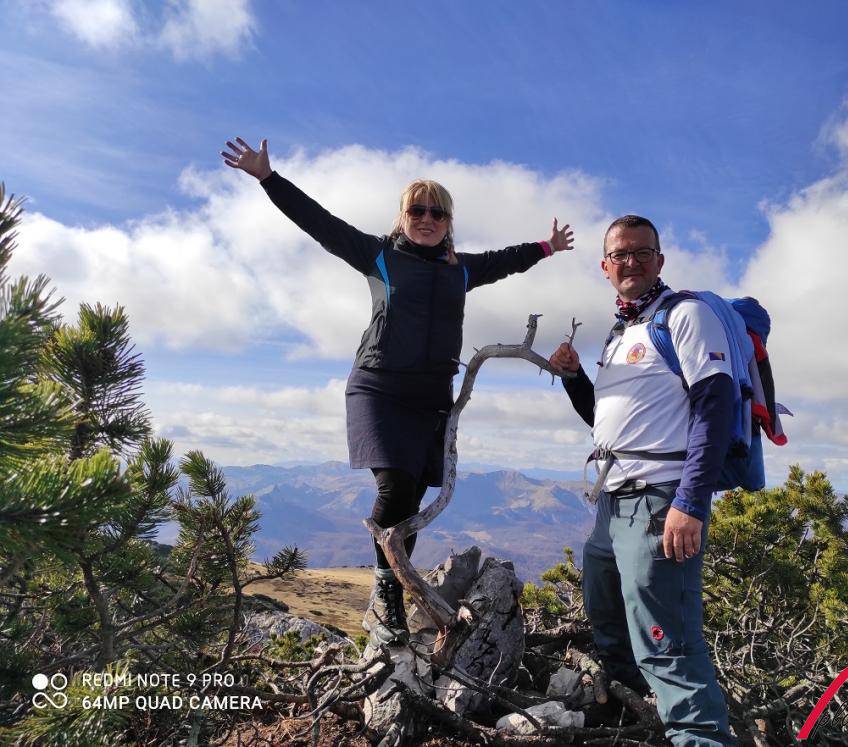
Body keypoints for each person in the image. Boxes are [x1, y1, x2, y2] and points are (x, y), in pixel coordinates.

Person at [221, 137, 574, 646]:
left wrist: (546, 247)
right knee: (394, 487)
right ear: (402, 216)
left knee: (412, 497)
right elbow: (320, 223)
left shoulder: (461, 269)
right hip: (379, 386)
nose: (427, 219)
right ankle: (387, 595)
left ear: (449, 221)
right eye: (417, 210)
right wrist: (269, 179)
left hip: (431, 396)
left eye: (437, 212)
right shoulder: (379, 255)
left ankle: (394, 584)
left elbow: (506, 259)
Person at [549, 215, 735, 746]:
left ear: (659, 260)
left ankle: (700, 736)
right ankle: (630, 717)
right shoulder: (622, 332)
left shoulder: (686, 316)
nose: (630, 262)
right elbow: (606, 421)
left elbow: (715, 407)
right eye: (620, 254)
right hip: (613, 501)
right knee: (608, 617)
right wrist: (575, 378)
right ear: (605, 265)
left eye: (641, 252)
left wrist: (690, 503)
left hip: (659, 499)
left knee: (665, 639)